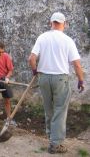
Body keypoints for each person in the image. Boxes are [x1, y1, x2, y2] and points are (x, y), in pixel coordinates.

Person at [29, 12, 84, 154]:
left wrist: (35, 72)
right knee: (60, 110)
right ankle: (55, 144)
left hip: (44, 78)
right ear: (64, 24)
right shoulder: (68, 40)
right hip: (60, 79)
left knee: (49, 109)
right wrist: (81, 80)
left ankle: (51, 137)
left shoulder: (42, 37)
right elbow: (77, 64)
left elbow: (31, 59)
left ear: (51, 23)